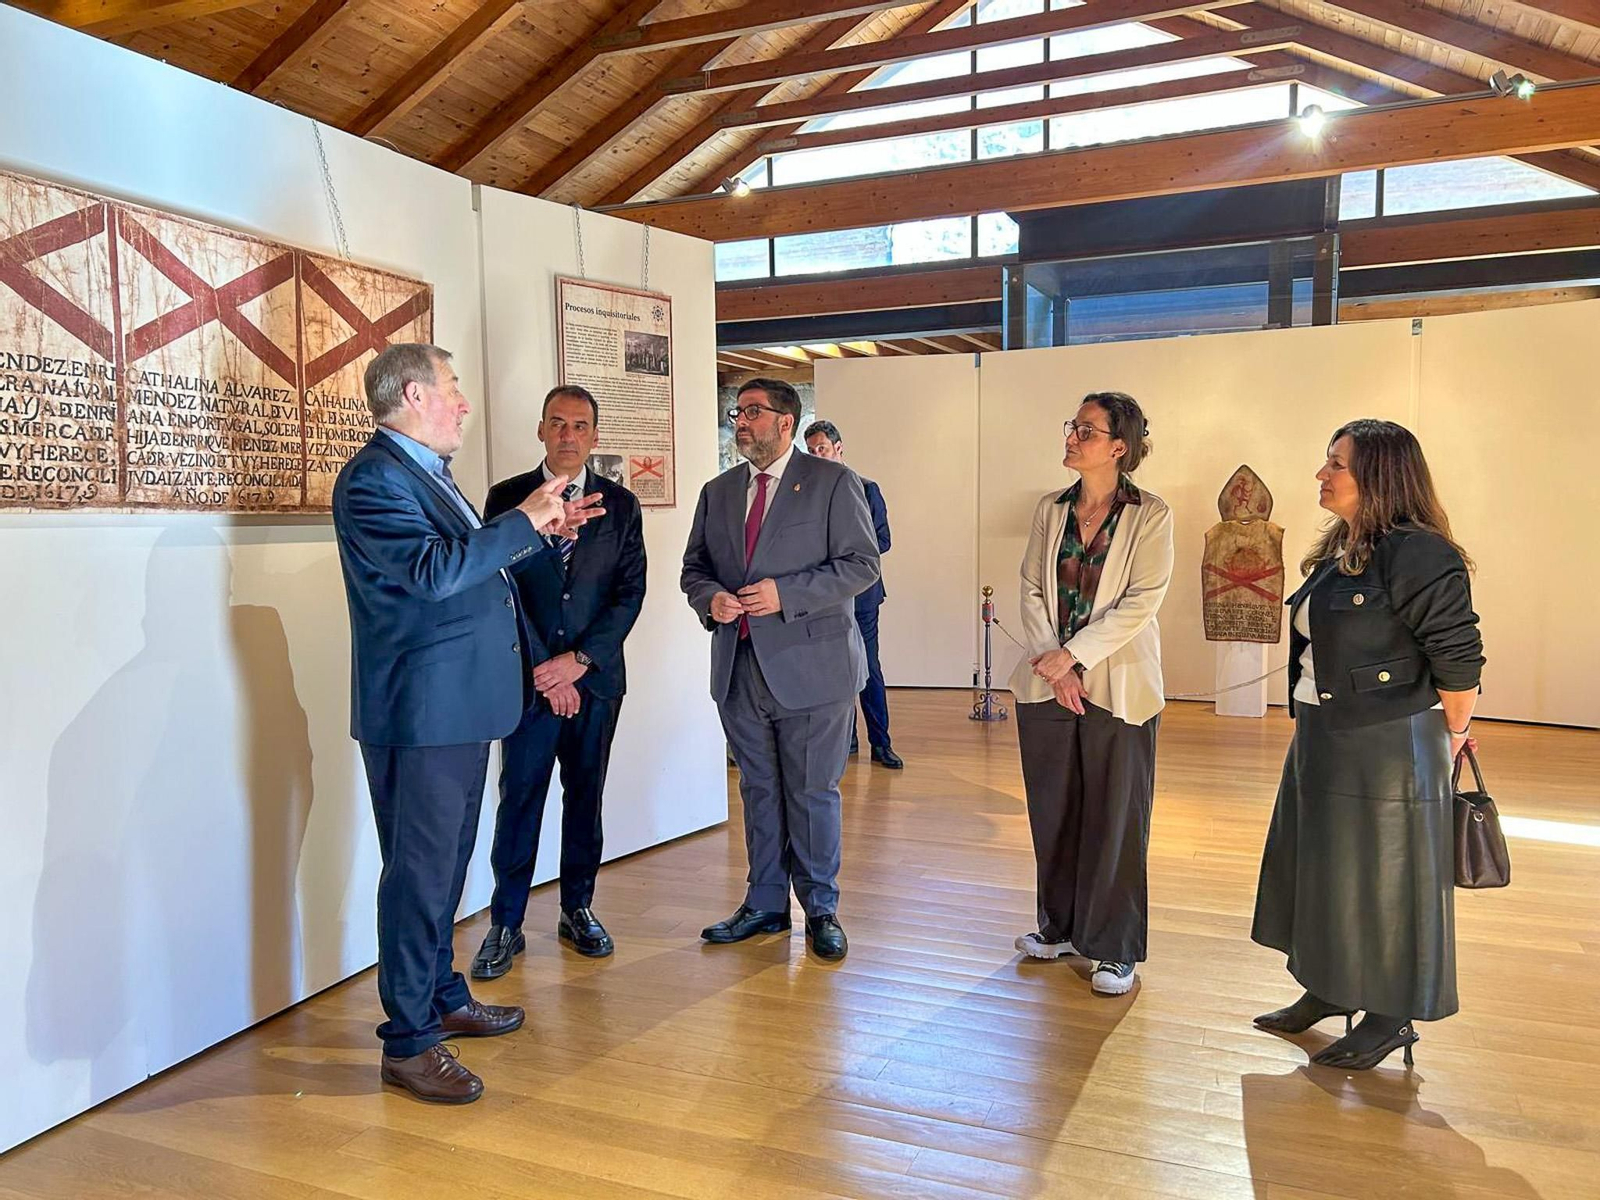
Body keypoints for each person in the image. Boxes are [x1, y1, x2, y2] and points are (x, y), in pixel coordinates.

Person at [331, 343, 603, 1104]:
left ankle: (441, 997)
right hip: (420, 713)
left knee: (445, 870)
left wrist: (541, 530)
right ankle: (408, 1043)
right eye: (453, 388)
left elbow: (464, 565)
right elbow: (432, 574)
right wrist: (521, 519)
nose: (464, 403)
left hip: (455, 705)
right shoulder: (373, 480)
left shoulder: (425, 474)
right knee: (419, 878)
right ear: (415, 396)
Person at [1252, 419, 1484, 1070]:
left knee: (1387, 881)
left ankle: (1389, 1017)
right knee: (1326, 867)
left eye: (1337, 465)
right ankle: (1327, 986)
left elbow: (1460, 661)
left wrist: (1456, 736)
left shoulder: (1420, 553)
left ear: (1379, 476)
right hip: (1326, 731)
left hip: (1387, 742)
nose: (1322, 475)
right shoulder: (1345, 544)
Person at [681, 378, 880, 961]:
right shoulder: (717, 492)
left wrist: (786, 594)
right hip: (739, 667)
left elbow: (861, 564)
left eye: (752, 412)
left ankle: (820, 909)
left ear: (786, 422)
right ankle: (764, 904)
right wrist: (709, 599)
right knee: (758, 788)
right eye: (736, 412)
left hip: (814, 667)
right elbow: (694, 567)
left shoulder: (834, 482)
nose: (739, 421)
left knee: (813, 791)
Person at [471, 385, 647, 977]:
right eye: (558, 424)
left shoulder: (621, 506)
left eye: (580, 425)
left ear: (594, 436)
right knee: (518, 799)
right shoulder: (506, 499)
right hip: (527, 683)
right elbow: (496, 588)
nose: (569, 435)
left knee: (585, 798)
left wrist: (581, 662)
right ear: (541, 431)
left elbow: (628, 594)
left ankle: (578, 909)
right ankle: (506, 923)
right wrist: (547, 669)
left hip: (595, 683)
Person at [1009, 392, 1173, 997]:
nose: (1072, 437)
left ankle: (1114, 947)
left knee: (1116, 818)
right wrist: (1056, 664)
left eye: (1086, 429)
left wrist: (1075, 656)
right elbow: (1029, 587)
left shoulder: (1151, 514)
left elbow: (1142, 599)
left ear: (1119, 446)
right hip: (1047, 683)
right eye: (1072, 426)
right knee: (1055, 811)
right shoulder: (1050, 509)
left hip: (1120, 687)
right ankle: (1059, 928)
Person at [802, 420, 903, 769]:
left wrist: (844, 553)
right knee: (834, 669)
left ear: (839, 448)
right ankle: (848, 740)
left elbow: (883, 540)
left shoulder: (866, 488)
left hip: (862, 595)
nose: (818, 456)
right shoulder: (808, 493)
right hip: (825, 596)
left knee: (868, 666)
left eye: (823, 449)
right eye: (812, 451)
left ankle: (882, 743)